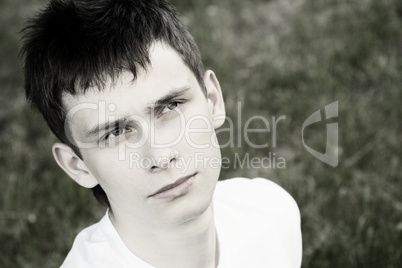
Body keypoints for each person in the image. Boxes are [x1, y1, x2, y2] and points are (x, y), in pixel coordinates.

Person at [20, 0, 302, 267]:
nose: (161, 156)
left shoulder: (272, 212)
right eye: (114, 133)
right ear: (77, 166)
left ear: (213, 100)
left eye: (170, 106)